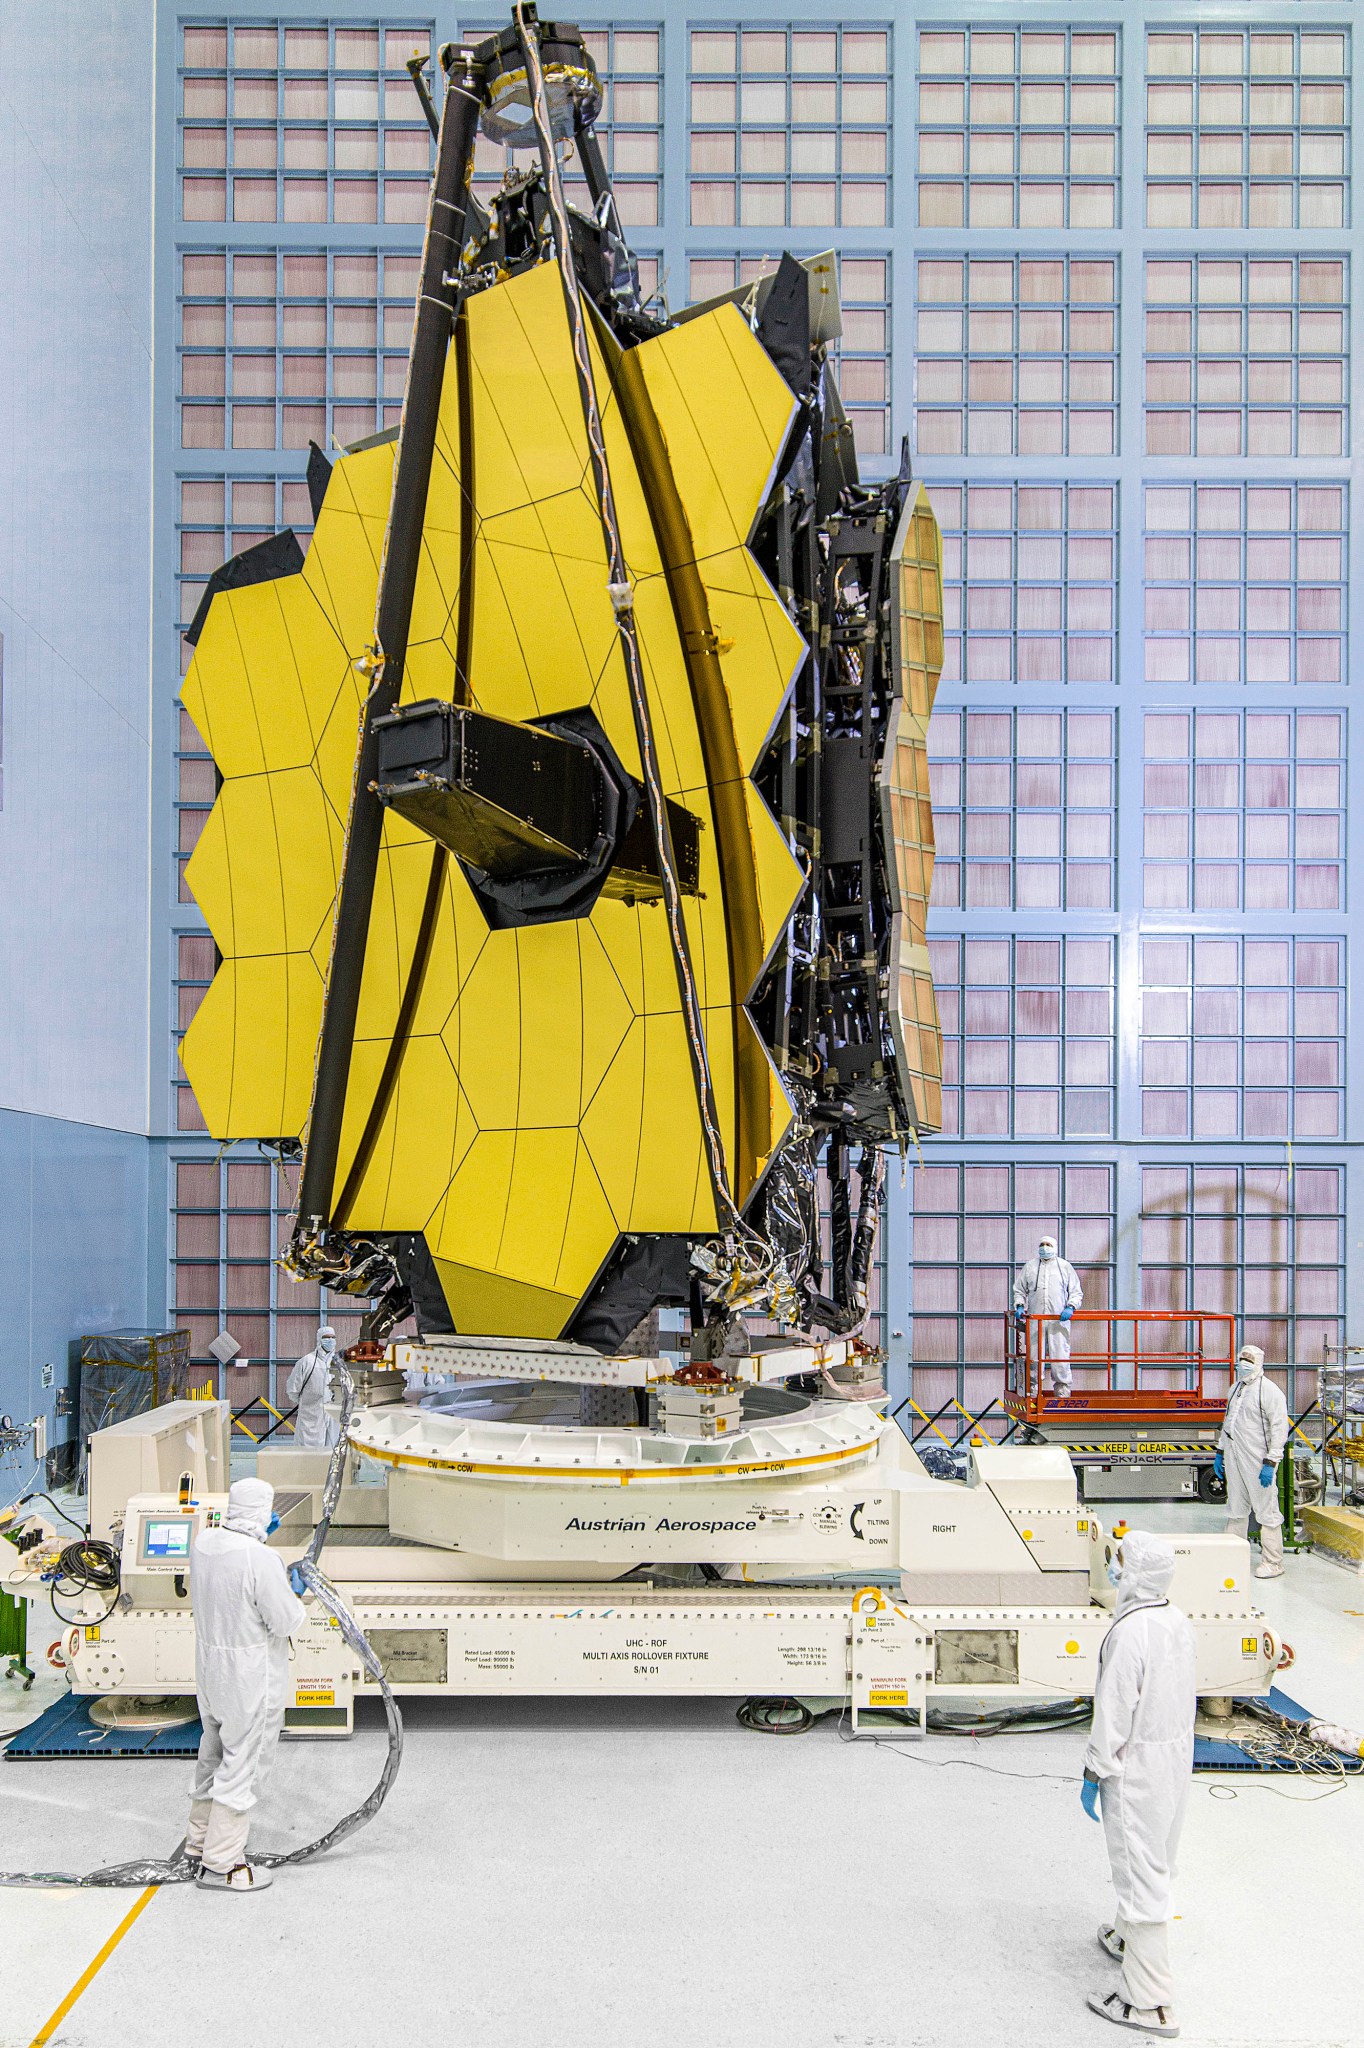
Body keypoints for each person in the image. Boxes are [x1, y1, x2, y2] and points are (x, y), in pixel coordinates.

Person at [1081, 1530, 1195, 2038]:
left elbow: (1114, 1710)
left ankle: (1148, 2003)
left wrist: (1094, 1768)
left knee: (1138, 1871)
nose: (1114, 1567)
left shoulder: (1130, 1632)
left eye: (1120, 1560)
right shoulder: (1175, 1620)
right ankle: (1129, 1939)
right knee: (1158, 1857)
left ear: (1137, 1573)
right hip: (1173, 1757)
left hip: (1135, 1769)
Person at [184, 1476, 304, 1892]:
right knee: (243, 1765)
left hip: (211, 1669)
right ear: (264, 1514)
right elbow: (285, 1621)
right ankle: (222, 1866)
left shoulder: (202, 1544)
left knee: (212, 1754)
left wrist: (259, 1542)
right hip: (250, 1677)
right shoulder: (261, 1559)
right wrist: (293, 1590)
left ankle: (198, 1845)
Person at [1215, 1343, 1289, 1580]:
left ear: (1258, 1363)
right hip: (1234, 1456)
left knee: (1266, 1511)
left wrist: (1271, 1461)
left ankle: (1273, 1562)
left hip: (1259, 1461)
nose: (1243, 1364)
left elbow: (1279, 1427)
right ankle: (1233, 1555)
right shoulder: (1235, 1389)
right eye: (1241, 1359)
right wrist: (1220, 1450)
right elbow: (1229, 1421)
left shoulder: (1269, 1391)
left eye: (1248, 1360)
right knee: (1236, 1508)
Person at [1012, 1235, 1083, 1399]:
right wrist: (1020, 1305)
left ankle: (1062, 1391)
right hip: (1035, 1321)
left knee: (1060, 1356)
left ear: (1055, 1247)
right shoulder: (1030, 1267)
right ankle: (1032, 1391)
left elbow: (1076, 1291)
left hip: (1059, 1321)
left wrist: (1071, 1306)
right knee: (1034, 1357)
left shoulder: (1064, 1267)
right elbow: (1020, 1289)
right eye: (1042, 1244)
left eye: (1048, 1244)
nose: (1044, 1247)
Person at [287, 1327, 340, 1449]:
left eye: (333, 1337)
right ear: (319, 1339)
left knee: (331, 1450)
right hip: (311, 1415)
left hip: (332, 1415)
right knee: (308, 1451)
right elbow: (293, 1389)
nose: (330, 1340)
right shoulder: (307, 1361)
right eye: (326, 1337)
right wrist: (308, 1403)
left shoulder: (338, 1362)